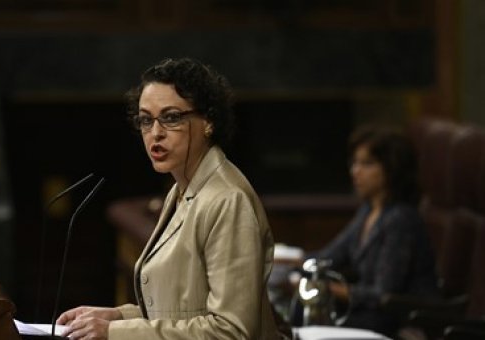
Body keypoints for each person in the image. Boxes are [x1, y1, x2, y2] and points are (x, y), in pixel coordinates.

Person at [55, 57, 282, 340]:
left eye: (171, 117)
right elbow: (185, 309)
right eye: (146, 120)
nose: (155, 133)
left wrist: (114, 332)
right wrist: (117, 316)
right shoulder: (182, 187)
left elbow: (230, 330)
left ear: (208, 121)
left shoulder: (227, 200)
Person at [295, 125, 439, 336]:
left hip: (400, 320)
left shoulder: (401, 219)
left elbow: (384, 294)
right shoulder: (369, 210)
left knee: (307, 321)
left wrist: (324, 289)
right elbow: (329, 257)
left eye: (367, 164)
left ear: (392, 168)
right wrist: (285, 264)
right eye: (354, 163)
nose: (355, 171)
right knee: (299, 313)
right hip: (370, 313)